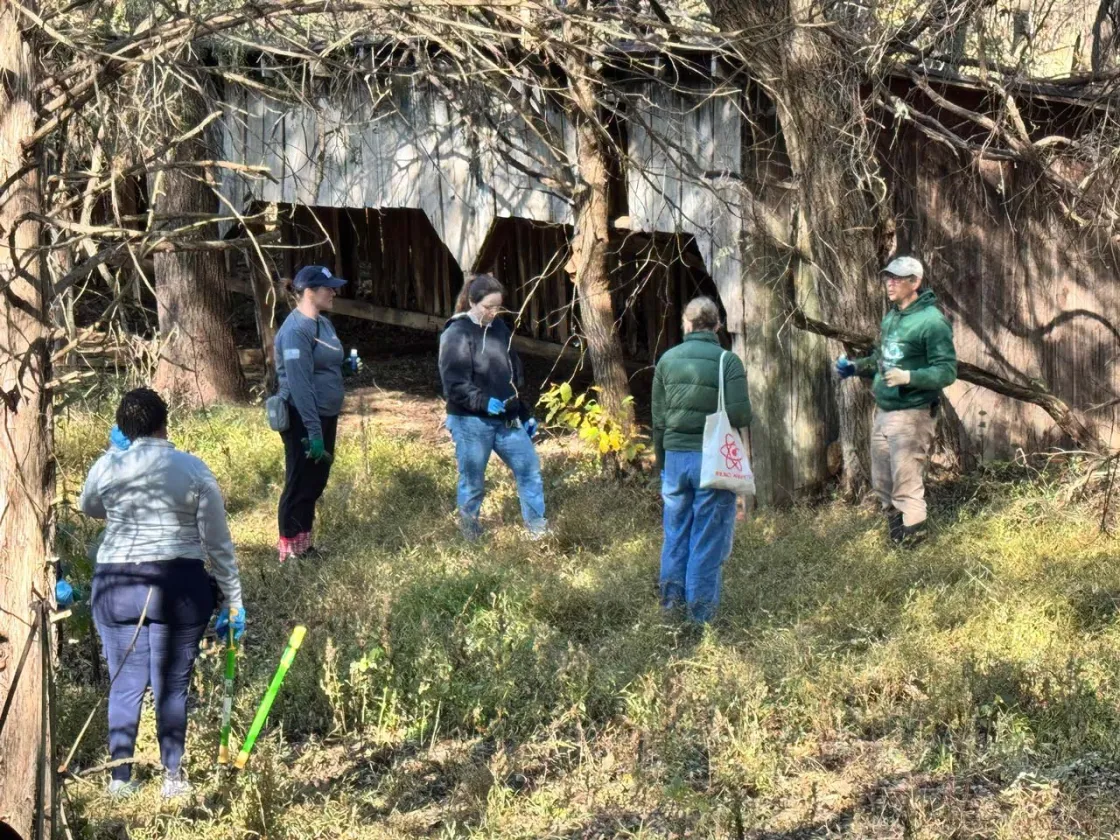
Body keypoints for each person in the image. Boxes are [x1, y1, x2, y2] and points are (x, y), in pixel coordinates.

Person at [78, 388, 244, 799]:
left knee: (124, 681)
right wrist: (234, 600)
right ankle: (173, 778)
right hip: (178, 585)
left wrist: (113, 461)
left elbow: (90, 507)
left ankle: (120, 779)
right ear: (164, 422)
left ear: (121, 428)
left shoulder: (107, 465)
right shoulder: (192, 469)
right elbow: (217, 544)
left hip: (115, 585)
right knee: (171, 685)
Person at [835, 255, 957, 544]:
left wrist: (909, 377)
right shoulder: (891, 317)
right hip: (885, 411)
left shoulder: (932, 321)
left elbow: (947, 371)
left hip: (913, 413)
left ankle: (916, 549)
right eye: (888, 277)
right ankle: (897, 543)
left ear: (915, 282)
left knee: (906, 485)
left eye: (898, 278)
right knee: (884, 485)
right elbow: (882, 358)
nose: (890, 283)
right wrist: (855, 367)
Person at [652, 296, 752, 623]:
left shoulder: (666, 361)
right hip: (713, 461)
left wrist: (662, 464)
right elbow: (740, 414)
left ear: (686, 323)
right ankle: (700, 622)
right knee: (707, 541)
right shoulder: (728, 361)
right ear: (717, 325)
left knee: (676, 534)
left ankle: (670, 609)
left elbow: (659, 421)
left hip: (676, 460)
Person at [438, 273, 547, 539]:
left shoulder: (499, 328)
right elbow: (453, 384)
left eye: (498, 307)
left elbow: (510, 376)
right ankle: (470, 536)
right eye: (488, 307)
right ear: (473, 303)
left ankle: (538, 531)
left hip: (506, 420)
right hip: (470, 421)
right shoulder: (457, 332)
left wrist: (523, 412)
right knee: (473, 482)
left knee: (529, 470)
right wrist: (483, 401)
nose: (493, 312)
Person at [273, 264, 359, 562]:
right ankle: (290, 551)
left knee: (315, 481)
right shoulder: (296, 331)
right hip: (302, 416)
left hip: (325, 414)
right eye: (328, 288)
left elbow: (324, 363)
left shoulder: (323, 324)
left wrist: (343, 368)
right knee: (299, 481)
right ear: (309, 292)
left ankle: (305, 545)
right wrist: (312, 431)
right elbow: (300, 385)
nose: (334, 291)